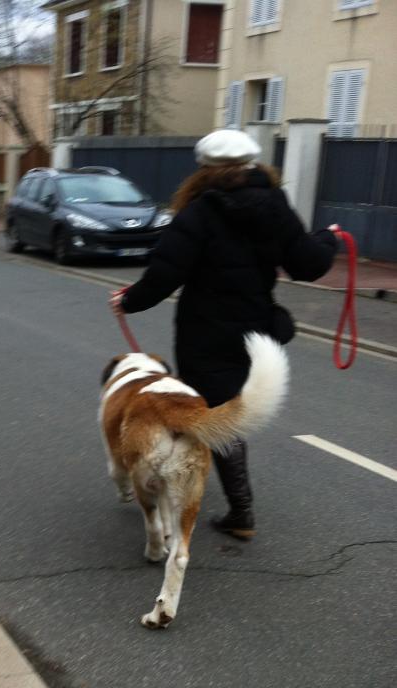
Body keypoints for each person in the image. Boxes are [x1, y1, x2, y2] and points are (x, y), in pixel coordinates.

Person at [110, 129, 338, 539]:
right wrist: (328, 239)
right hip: (256, 331)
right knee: (222, 410)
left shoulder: (198, 212)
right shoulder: (276, 205)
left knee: (215, 415)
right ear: (254, 166)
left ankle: (240, 511)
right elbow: (309, 264)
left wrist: (129, 301)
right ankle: (207, 488)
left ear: (205, 170)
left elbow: (165, 274)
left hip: (205, 334)